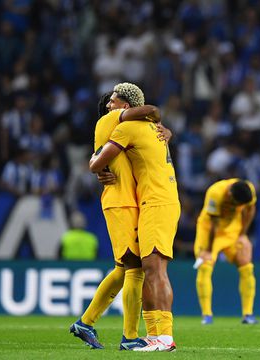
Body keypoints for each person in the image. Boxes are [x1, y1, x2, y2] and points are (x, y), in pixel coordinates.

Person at [70, 89, 171, 350]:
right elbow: (150, 110)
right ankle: (129, 337)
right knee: (135, 269)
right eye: (109, 103)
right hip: (121, 201)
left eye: (113, 102)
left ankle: (85, 322)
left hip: (130, 201)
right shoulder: (111, 120)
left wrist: (164, 129)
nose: (108, 106)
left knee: (122, 269)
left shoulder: (129, 129)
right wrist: (96, 165)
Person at [194, 178, 258, 325]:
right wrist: (209, 250)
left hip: (232, 231)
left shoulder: (248, 189)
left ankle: (248, 314)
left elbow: (250, 209)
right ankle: (207, 315)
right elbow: (213, 223)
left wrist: (243, 234)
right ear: (229, 194)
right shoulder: (215, 192)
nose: (236, 207)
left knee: (246, 265)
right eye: (235, 204)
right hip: (209, 231)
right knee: (205, 265)